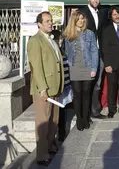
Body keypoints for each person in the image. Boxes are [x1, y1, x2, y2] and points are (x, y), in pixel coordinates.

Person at [27, 11, 64, 166]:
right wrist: (42, 88)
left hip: (54, 87)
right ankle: (42, 155)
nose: (50, 23)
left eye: (51, 21)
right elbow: (36, 67)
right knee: (43, 122)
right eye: (47, 21)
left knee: (53, 120)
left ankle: (50, 147)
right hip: (44, 89)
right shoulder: (35, 41)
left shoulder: (52, 39)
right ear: (39, 24)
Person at [64, 10, 99, 131]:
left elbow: (95, 51)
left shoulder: (89, 34)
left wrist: (94, 68)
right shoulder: (68, 35)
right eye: (79, 19)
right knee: (77, 95)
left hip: (87, 67)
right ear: (74, 20)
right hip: (74, 68)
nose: (81, 21)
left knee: (86, 94)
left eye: (82, 19)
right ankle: (79, 118)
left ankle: (85, 118)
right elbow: (66, 52)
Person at [79, 0, 107, 120]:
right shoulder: (82, 12)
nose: (96, 0)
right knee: (86, 83)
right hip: (86, 53)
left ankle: (95, 110)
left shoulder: (102, 12)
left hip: (99, 53)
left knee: (98, 83)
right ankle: (85, 112)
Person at [101, 6, 119, 118]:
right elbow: (104, 48)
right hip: (111, 64)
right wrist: (107, 64)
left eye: (118, 14)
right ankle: (112, 109)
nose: (117, 16)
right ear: (111, 17)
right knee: (112, 88)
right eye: (114, 14)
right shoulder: (107, 29)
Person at [51, 29, 72, 141]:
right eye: (60, 38)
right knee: (59, 111)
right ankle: (60, 134)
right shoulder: (55, 52)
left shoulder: (62, 51)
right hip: (60, 86)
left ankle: (62, 133)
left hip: (66, 85)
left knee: (63, 110)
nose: (61, 40)